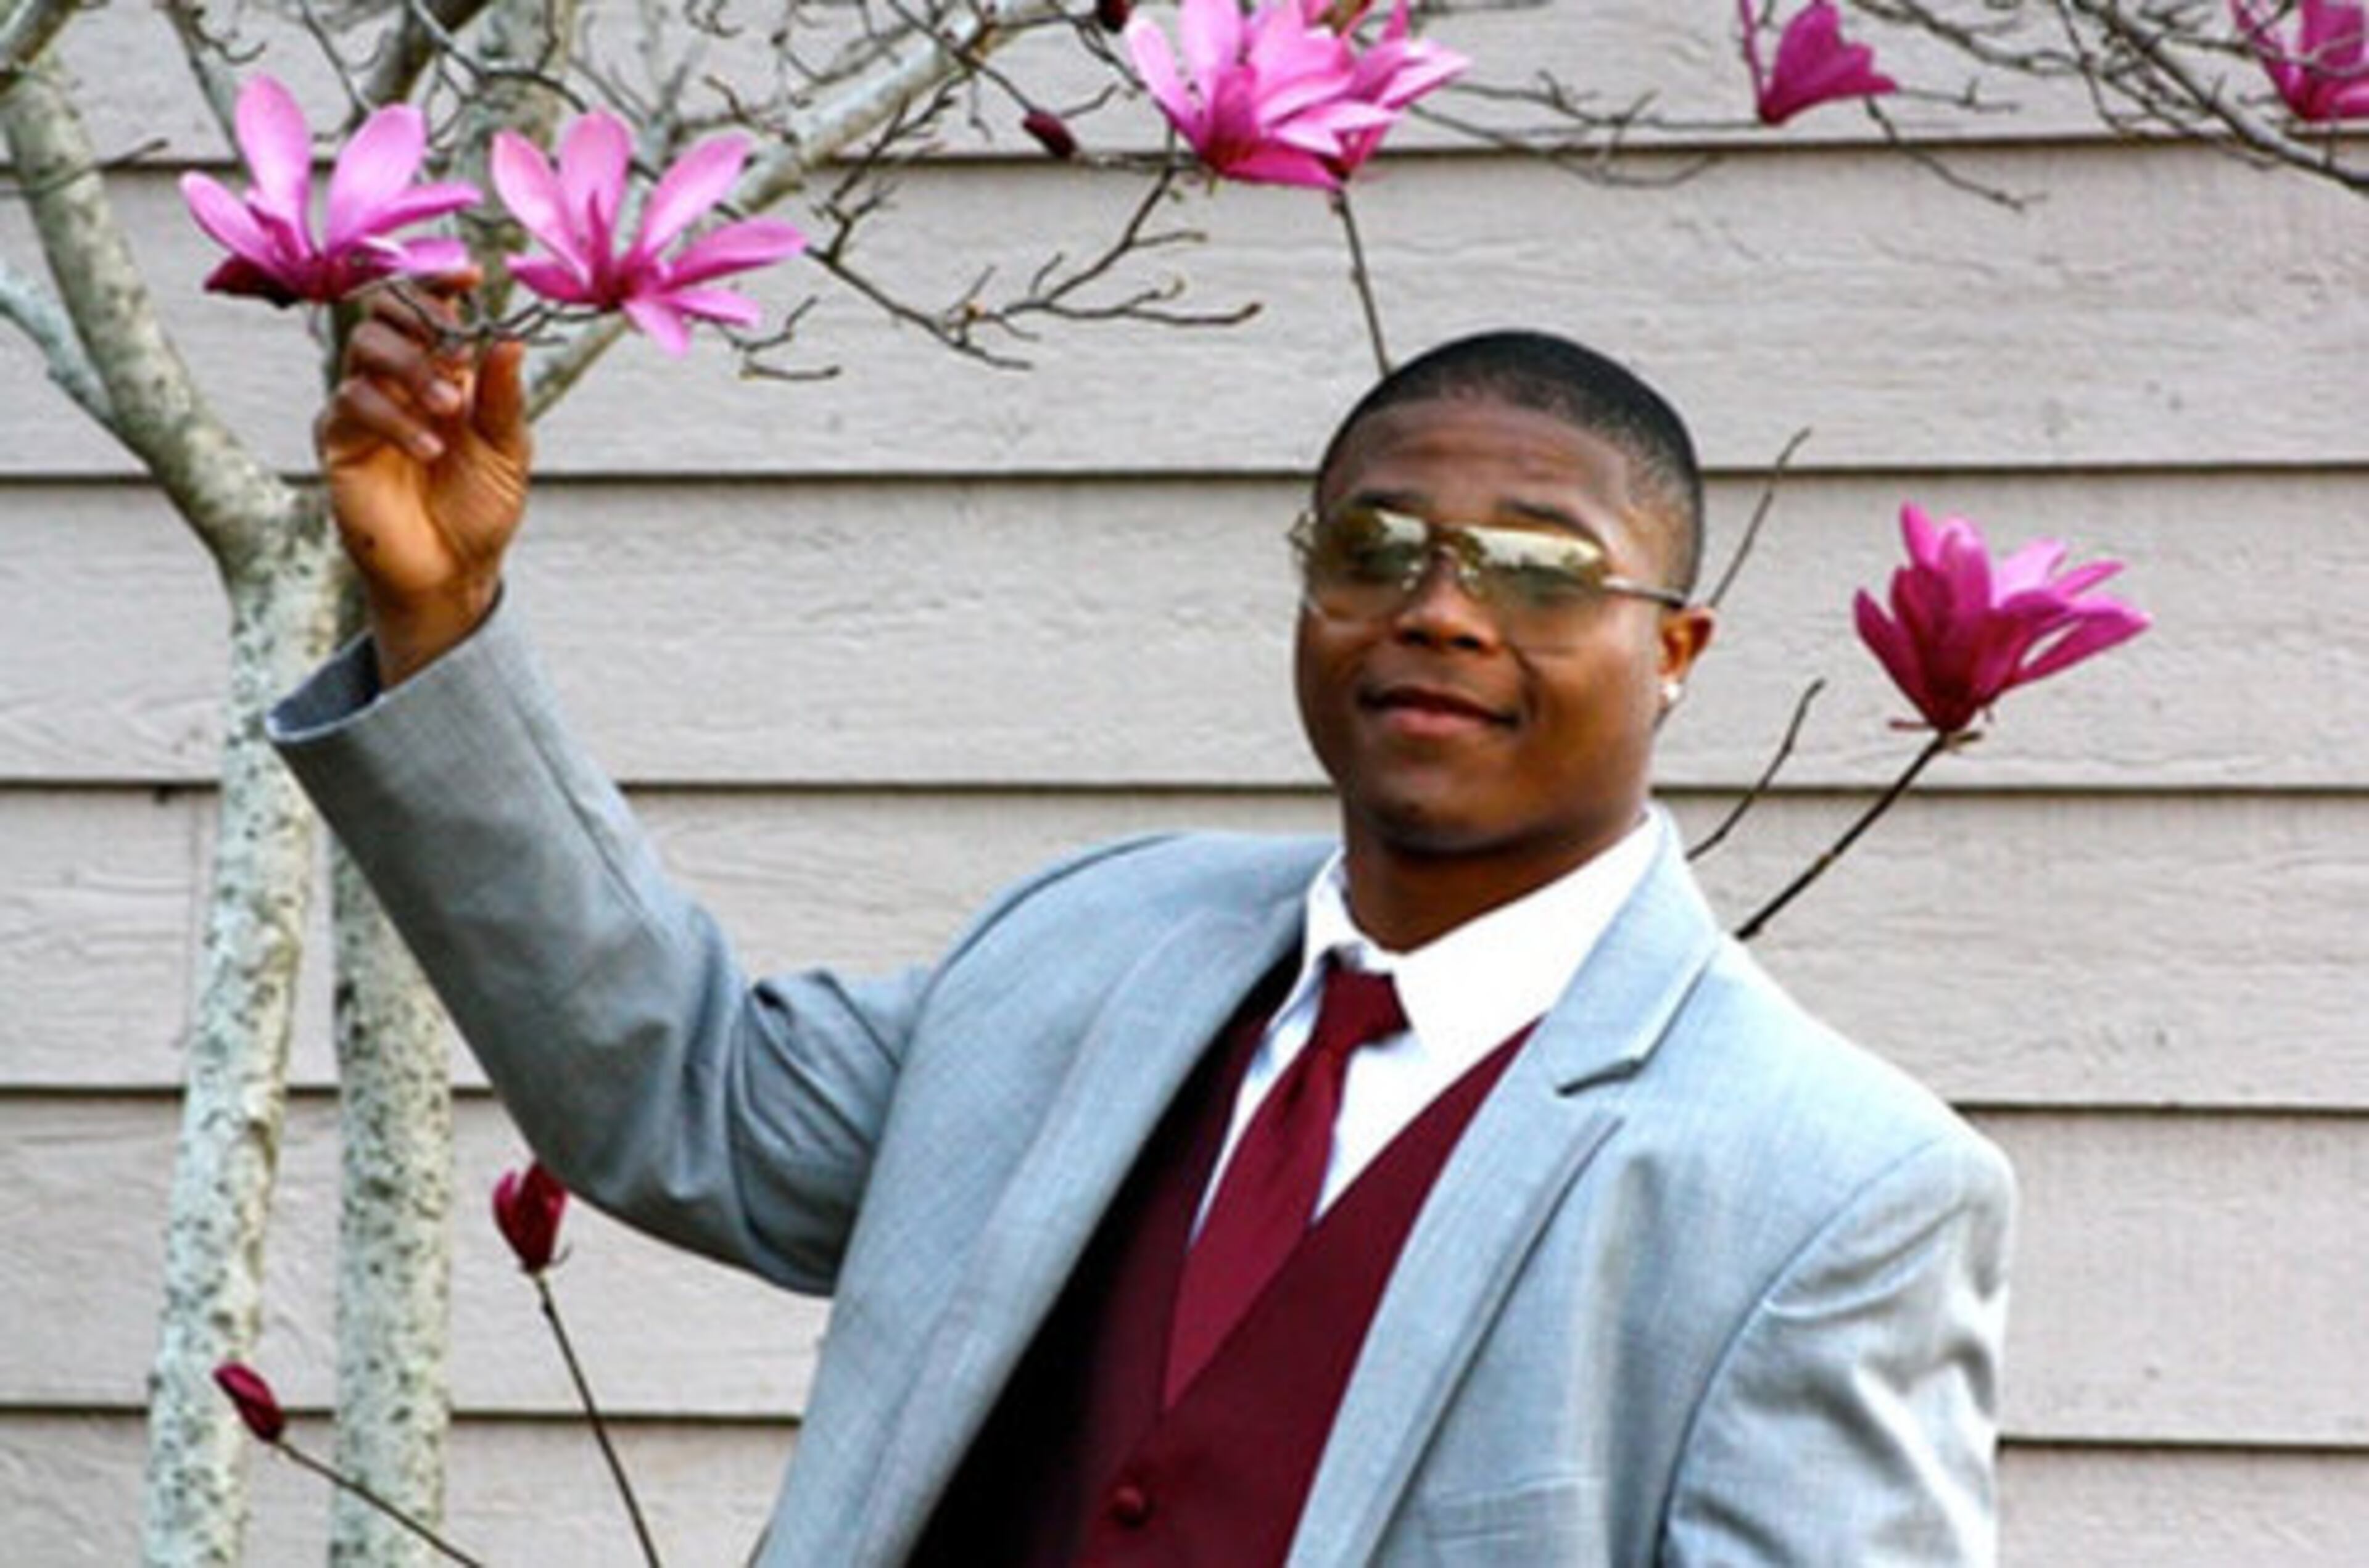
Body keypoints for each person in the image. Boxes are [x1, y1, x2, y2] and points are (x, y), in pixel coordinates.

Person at [272, 291, 2013, 1566]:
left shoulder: (1831, 1188)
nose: (1440, 610)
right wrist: (443, 628)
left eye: (1540, 570)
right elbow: (688, 1098)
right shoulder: (1095, 948)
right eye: (1376, 544)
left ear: (1677, 651)